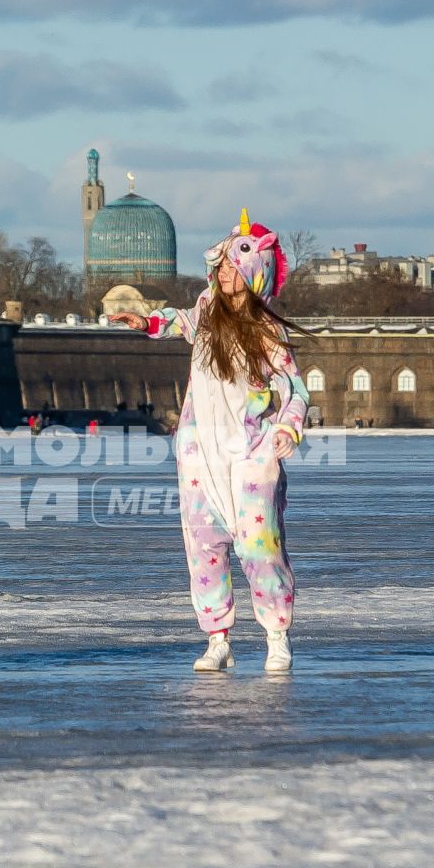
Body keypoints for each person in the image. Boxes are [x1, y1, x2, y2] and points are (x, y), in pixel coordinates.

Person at [111, 211, 306, 674]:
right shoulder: (204, 312)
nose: (222, 273)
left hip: (251, 453)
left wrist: (285, 427)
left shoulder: (267, 331)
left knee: (259, 546)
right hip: (201, 452)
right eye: (218, 266)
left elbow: (295, 389)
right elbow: (177, 321)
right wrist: (145, 323)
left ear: (253, 273)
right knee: (204, 547)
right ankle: (218, 638)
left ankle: (276, 636)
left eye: (231, 266)